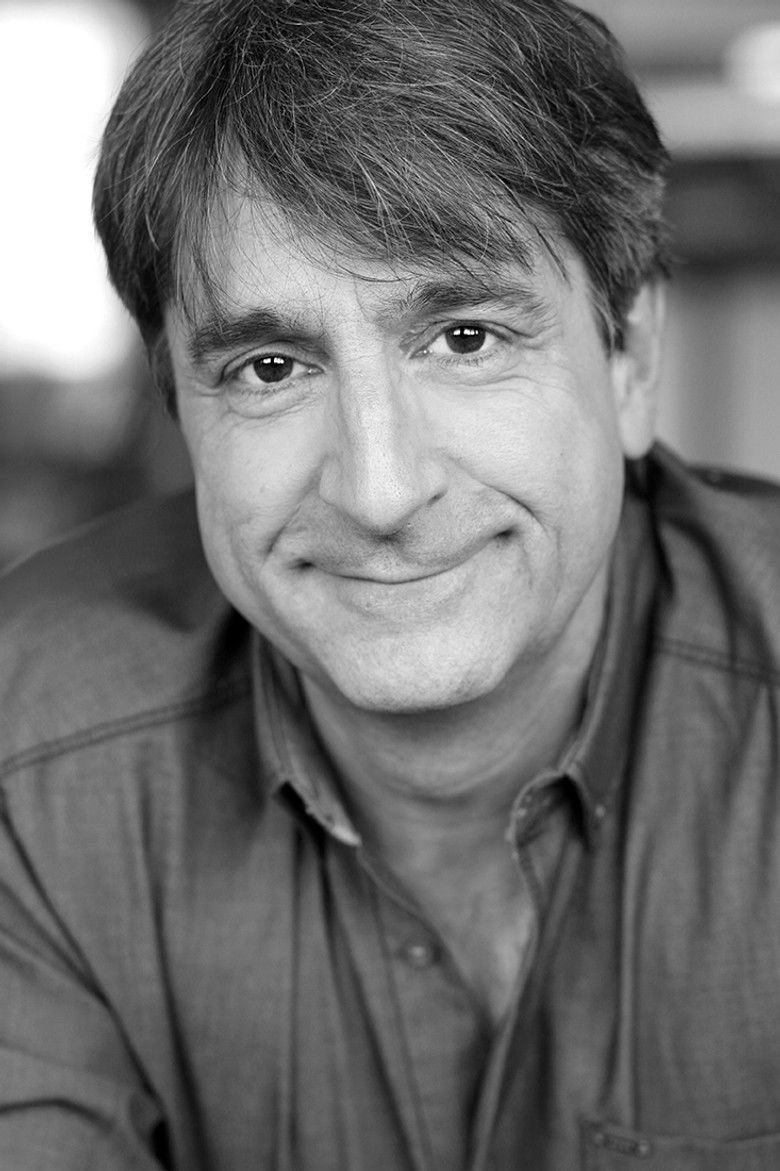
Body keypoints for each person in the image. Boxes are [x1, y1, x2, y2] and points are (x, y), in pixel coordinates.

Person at [1, 0, 779, 1167]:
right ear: (180, 416)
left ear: (629, 357)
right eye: (270, 367)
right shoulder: (31, 752)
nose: (379, 489)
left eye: (465, 338)